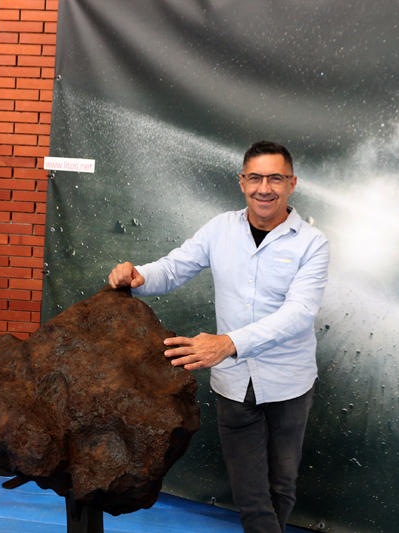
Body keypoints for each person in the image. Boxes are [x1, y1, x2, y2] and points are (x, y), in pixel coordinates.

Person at [108, 140, 329, 533]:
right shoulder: (219, 229)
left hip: (290, 384)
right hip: (233, 385)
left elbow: (298, 314)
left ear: (292, 183)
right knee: (252, 496)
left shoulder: (313, 243)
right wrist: (139, 275)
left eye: (275, 179)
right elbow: (174, 268)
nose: (265, 188)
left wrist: (229, 343)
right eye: (255, 178)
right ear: (242, 182)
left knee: (282, 485)